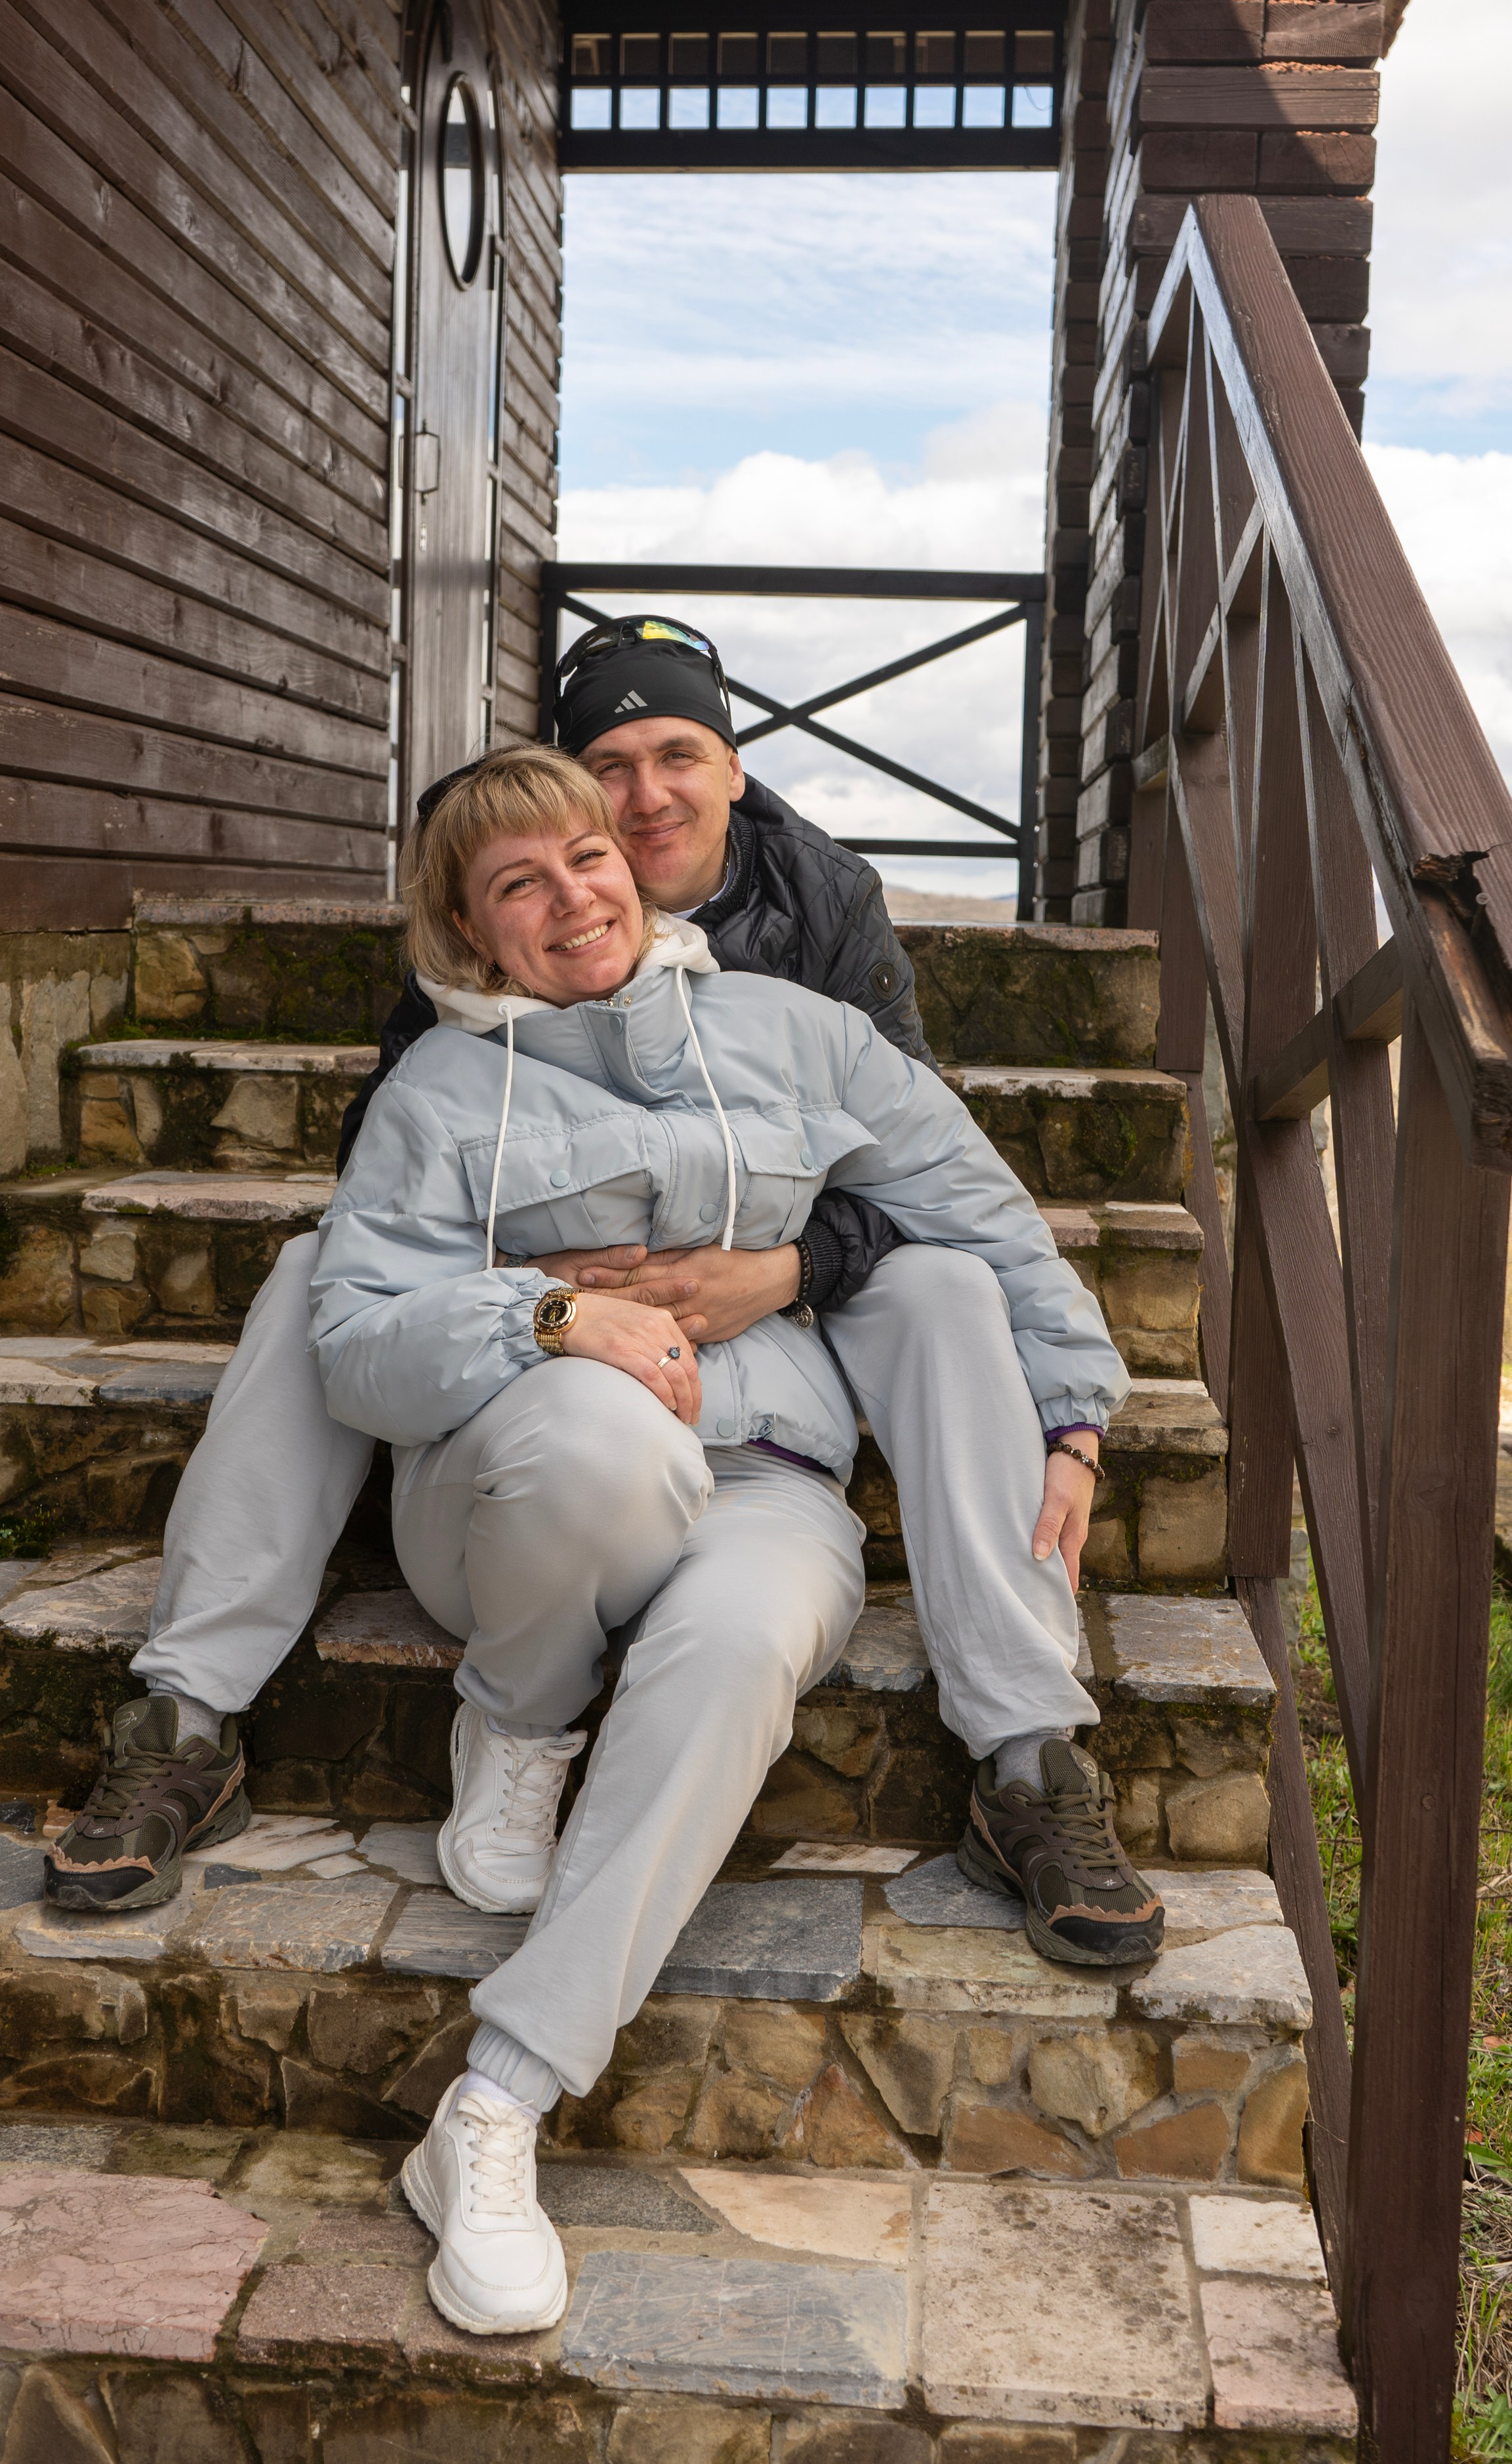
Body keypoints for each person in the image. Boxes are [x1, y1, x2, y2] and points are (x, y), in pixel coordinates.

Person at [46, 620, 1158, 1989]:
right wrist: (536, 1303)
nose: (632, 819)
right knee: (310, 1272)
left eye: (674, 760)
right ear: (478, 907)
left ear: (732, 771)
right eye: (599, 786)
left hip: (786, 1299)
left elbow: (958, 1194)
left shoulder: (818, 933)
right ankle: (189, 1707)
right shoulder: (455, 1042)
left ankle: (1031, 1749)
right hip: (549, 1401)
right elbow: (383, 1252)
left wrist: (1042, 1393)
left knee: (941, 1282)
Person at [306, 741, 1150, 2332]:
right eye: (519, 884)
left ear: (635, 865)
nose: (573, 896)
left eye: (588, 857)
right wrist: (553, 1312)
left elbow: (981, 1214)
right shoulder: (434, 1092)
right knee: (597, 1423)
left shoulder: (800, 1032)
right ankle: (515, 1713)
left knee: (755, 1626)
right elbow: (350, 1342)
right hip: (514, 1492)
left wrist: (1076, 1407)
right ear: (469, 932)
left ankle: (498, 2098)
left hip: (765, 1482)